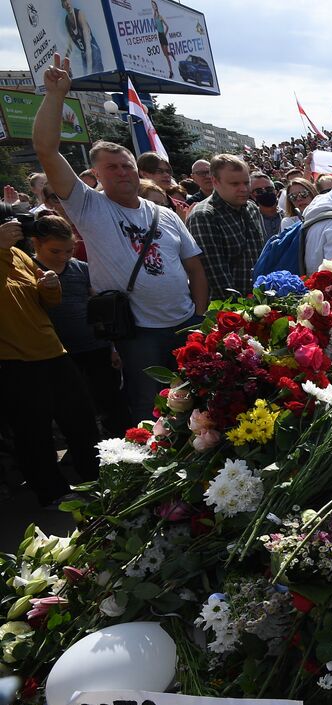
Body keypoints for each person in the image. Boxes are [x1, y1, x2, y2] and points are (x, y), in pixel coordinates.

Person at [33, 54, 206, 422]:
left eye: (127, 165)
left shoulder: (165, 213)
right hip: (139, 333)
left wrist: (200, 313)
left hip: (184, 323)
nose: (122, 172)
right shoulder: (89, 206)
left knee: (197, 404)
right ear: (96, 174)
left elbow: (194, 265)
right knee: (149, 410)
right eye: (111, 167)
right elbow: (46, 150)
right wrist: (55, 96)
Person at [0, 207, 100, 506]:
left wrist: (50, 287)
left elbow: (45, 302)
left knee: (81, 419)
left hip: (52, 350)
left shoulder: (19, 256)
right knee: (33, 431)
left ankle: (96, 477)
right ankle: (52, 492)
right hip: (13, 360)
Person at [31, 213, 129, 435]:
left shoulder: (80, 268)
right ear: (37, 243)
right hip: (59, 351)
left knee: (110, 399)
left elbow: (100, 309)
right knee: (73, 405)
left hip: (95, 345)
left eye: (69, 251)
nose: (63, 257)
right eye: (55, 251)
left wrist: (113, 346)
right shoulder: (28, 269)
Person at [185, 153, 267, 298]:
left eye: (246, 182)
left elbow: (262, 256)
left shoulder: (252, 208)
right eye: (235, 184)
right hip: (231, 311)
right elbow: (218, 280)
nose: (243, 189)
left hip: (260, 301)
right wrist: (244, 311)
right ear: (215, 182)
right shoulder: (204, 216)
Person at [249, 172, 283, 241]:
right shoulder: (249, 220)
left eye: (269, 189)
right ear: (252, 195)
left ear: (276, 192)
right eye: (259, 191)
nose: (265, 192)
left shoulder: (288, 215)